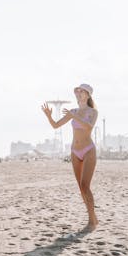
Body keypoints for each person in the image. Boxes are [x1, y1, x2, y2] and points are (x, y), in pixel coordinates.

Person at [41, 83, 99, 232]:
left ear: (88, 95)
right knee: (81, 188)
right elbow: (55, 125)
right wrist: (49, 116)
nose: (78, 93)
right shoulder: (72, 111)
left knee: (86, 186)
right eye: (77, 91)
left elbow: (88, 127)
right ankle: (93, 217)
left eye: (82, 91)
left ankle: (92, 220)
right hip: (75, 151)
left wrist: (75, 116)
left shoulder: (92, 112)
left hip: (88, 150)